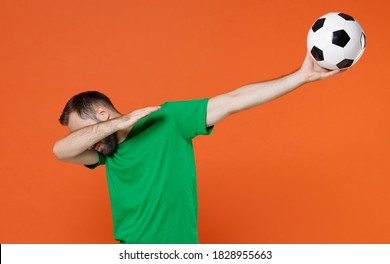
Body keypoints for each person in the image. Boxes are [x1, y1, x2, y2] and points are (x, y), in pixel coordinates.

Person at [53, 52, 346, 244]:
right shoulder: (106, 152)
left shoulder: (167, 119)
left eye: (87, 131)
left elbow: (233, 100)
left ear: (102, 114)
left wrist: (300, 76)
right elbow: (61, 151)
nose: (88, 140)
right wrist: (115, 126)